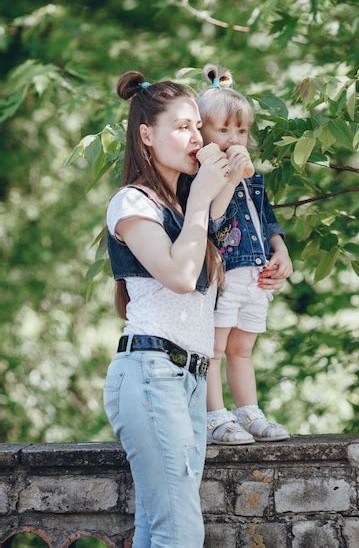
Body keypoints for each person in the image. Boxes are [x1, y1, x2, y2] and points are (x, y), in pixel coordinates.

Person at [103, 70, 230, 548]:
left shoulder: (181, 211)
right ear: (146, 136)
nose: (196, 137)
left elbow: (226, 250)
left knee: (159, 530)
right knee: (178, 532)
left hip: (188, 379)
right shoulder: (132, 203)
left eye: (198, 126)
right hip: (152, 373)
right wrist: (201, 196)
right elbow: (178, 277)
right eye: (181, 127)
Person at [196, 63, 293, 445]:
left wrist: (281, 251)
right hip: (225, 274)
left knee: (243, 349)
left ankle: (248, 412)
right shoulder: (204, 174)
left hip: (255, 274)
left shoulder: (254, 178)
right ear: (201, 131)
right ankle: (214, 417)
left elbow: (267, 219)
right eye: (223, 130)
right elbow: (214, 220)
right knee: (215, 349)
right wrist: (231, 175)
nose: (234, 137)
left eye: (241, 130)